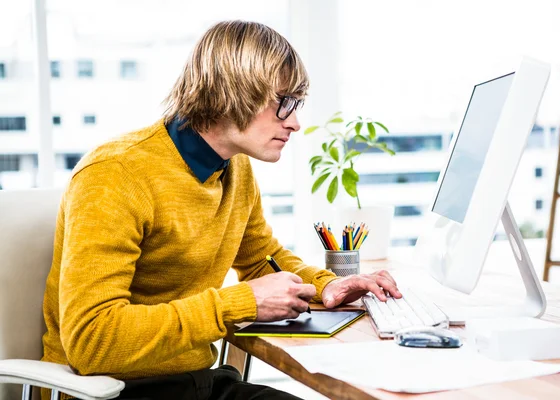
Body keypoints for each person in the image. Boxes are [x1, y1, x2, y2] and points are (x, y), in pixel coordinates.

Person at [41, 20, 401, 400]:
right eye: (285, 103)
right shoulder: (116, 175)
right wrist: (239, 303)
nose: (295, 122)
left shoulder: (234, 167)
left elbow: (264, 261)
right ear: (234, 92)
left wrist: (329, 284)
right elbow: (92, 340)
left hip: (193, 383)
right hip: (107, 391)